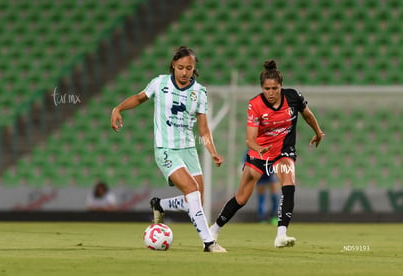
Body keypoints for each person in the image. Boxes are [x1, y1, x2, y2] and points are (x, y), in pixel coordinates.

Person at [111, 46, 226, 253]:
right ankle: (209, 243)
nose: (184, 72)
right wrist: (117, 108)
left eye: (189, 68)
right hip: (166, 149)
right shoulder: (160, 83)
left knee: (196, 200)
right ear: (173, 65)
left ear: (194, 68)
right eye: (180, 67)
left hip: (188, 150)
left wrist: (212, 150)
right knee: (192, 190)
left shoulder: (199, 92)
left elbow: (203, 128)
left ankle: (160, 205)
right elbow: (138, 98)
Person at [209, 60, 324, 248]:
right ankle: (214, 230)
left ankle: (281, 234)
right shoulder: (255, 105)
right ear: (262, 87)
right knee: (242, 197)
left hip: (283, 151)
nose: (270, 93)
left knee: (288, 182)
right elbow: (249, 139)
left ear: (281, 86)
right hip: (259, 152)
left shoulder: (293, 97)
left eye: (274, 88)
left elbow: (308, 115)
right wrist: (259, 149)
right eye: (266, 88)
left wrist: (318, 132)